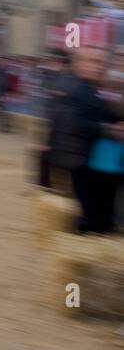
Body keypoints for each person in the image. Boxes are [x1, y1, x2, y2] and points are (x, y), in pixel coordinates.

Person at [48, 46, 124, 233]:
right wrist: (110, 129)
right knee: (95, 217)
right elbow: (75, 123)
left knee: (97, 214)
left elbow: (103, 113)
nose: (99, 67)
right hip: (81, 161)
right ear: (79, 64)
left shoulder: (88, 87)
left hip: (86, 160)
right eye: (93, 62)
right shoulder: (77, 89)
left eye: (101, 63)